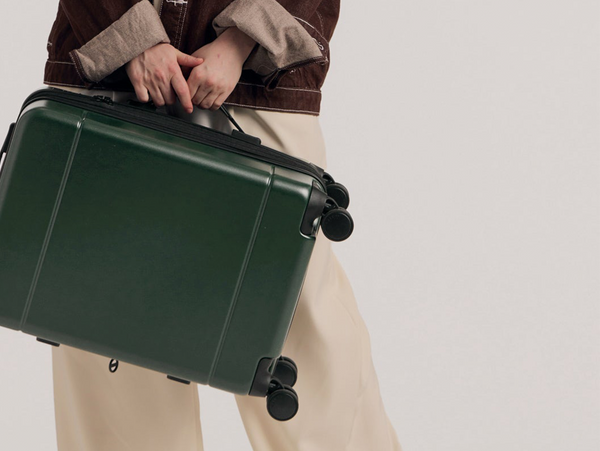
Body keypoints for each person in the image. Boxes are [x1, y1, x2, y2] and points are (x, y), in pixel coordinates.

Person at [41, 1, 402, 449]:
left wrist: (241, 39)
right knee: (113, 327)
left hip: (263, 79)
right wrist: (131, 36)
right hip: (110, 65)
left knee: (297, 330)